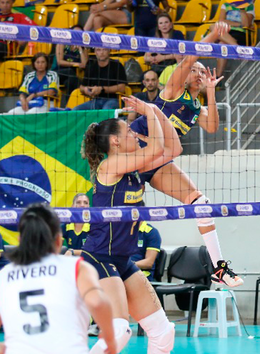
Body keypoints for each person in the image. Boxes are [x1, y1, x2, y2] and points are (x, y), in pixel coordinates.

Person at [129, 22, 244, 287]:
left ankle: (219, 267)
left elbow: (213, 127)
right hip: (135, 150)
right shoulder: (173, 90)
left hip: (158, 159)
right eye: (192, 70)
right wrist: (214, 35)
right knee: (123, 214)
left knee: (201, 202)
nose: (195, 72)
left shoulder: (197, 107)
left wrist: (212, 92)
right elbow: (191, 55)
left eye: (201, 71)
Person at [81, 96, 180, 353]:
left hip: (123, 258)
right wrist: (148, 111)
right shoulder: (110, 165)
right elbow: (156, 149)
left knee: (163, 332)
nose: (135, 135)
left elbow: (172, 150)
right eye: (128, 132)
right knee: (119, 331)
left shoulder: (135, 166)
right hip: (99, 255)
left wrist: (156, 111)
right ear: (115, 141)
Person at [0, 203, 118, 354]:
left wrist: (9, 349)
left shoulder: (0, 279)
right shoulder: (77, 267)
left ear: (20, 240)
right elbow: (97, 302)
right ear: (59, 241)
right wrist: (110, 339)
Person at [213, 1, 255, 78]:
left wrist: (242, 9)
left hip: (242, 34)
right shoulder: (225, 5)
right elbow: (221, 21)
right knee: (214, 27)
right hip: (227, 32)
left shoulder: (249, 5)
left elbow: (246, 24)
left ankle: (218, 77)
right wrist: (238, 24)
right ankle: (237, 48)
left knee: (222, 44)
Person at [54, 25, 89, 95]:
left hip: (72, 76)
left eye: (79, 34)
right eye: (74, 33)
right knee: (70, 72)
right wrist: (76, 64)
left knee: (70, 82)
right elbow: (59, 62)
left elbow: (84, 64)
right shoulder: (62, 43)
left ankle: (69, 104)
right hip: (58, 73)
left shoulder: (84, 48)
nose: (76, 35)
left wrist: (80, 49)